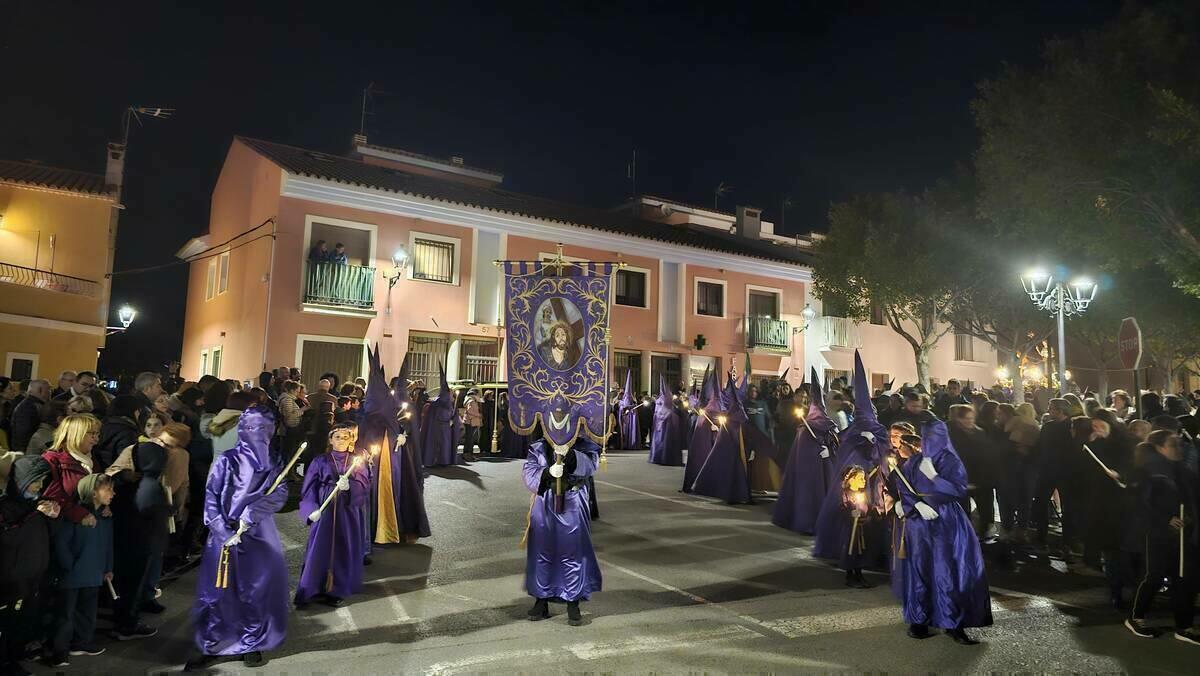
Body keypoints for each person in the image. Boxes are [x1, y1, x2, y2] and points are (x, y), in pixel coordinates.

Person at [187, 405, 290, 670]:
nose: (257, 434)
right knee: (219, 590)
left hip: (258, 535)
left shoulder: (275, 461)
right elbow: (211, 497)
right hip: (225, 536)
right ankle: (214, 642)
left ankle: (252, 641)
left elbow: (279, 493)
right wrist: (222, 529)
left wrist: (253, 512)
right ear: (242, 429)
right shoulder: (227, 459)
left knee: (256, 590)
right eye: (251, 428)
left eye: (264, 429)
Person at [891, 422, 993, 644]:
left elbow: (958, 490)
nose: (929, 442)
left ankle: (953, 622)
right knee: (920, 569)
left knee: (948, 570)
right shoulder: (915, 460)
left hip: (946, 521)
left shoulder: (950, 461)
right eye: (926, 437)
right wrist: (914, 505)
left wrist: (935, 478)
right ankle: (918, 621)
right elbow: (902, 482)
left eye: (934, 437)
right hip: (920, 524)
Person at [813, 352, 890, 587]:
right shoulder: (855, 439)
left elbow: (884, 459)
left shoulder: (874, 435)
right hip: (855, 494)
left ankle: (865, 564)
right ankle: (851, 571)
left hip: (873, 494)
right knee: (854, 531)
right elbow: (849, 468)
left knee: (869, 531)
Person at [1124, 429, 1200, 644]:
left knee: (1184, 578)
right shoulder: (1149, 471)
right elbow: (1140, 504)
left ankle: (1184, 624)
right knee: (1154, 575)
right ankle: (1136, 616)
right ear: (1159, 448)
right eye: (1172, 445)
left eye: (1179, 444)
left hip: (1183, 534)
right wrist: (1166, 519)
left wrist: (1192, 517)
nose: (1179, 448)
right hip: (1156, 533)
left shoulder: (1183, 471)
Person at [522, 431, 602, 626]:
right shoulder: (540, 446)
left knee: (573, 550)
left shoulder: (583, 443)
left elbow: (591, 464)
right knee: (542, 550)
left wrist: (573, 456)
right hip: (545, 500)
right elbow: (529, 470)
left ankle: (573, 601)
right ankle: (541, 598)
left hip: (573, 500)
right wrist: (546, 473)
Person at [295, 423, 369, 608]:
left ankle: (336, 589)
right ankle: (311, 588)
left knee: (342, 548)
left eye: (346, 437)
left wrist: (351, 486)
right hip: (324, 509)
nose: (342, 440)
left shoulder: (356, 461)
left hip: (347, 512)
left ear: (351, 440)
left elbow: (365, 485)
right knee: (319, 548)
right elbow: (309, 487)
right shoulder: (320, 461)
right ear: (330, 440)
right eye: (338, 437)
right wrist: (310, 509)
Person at [0, 456, 60, 676]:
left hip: (33, 576)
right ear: (22, 480)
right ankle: (6, 663)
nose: (40, 485)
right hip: (11, 580)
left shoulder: (36, 504)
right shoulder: (6, 507)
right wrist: (35, 516)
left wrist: (53, 518)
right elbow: (9, 539)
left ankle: (15, 656)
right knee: (8, 624)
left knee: (24, 621)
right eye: (36, 480)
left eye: (43, 480)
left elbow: (46, 537)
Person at [47, 473, 114, 667]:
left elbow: (108, 545)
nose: (113, 493)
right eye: (108, 489)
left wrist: (108, 568)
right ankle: (59, 650)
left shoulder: (106, 516)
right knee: (66, 613)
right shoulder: (75, 515)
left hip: (94, 573)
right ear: (93, 492)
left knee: (87, 610)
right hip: (73, 574)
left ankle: (82, 642)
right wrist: (69, 565)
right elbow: (62, 543)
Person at [107, 441, 170, 641]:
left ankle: (126, 620)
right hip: (140, 545)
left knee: (129, 586)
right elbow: (148, 513)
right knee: (132, 587)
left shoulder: (133, 481)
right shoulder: (149, 485)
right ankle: (127, 625)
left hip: (132, 543)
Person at [773, 369, 839, 535]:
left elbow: (835, 442)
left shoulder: (828, 424)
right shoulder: (804, 428)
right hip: (807, 470)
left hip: (824, 468)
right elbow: (799, 451)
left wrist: (829, 448)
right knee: (808, 494)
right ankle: (806, 521)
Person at [948, 404, 1001, 540]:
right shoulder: (952, 434)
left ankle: (984, 533)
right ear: (958, 419)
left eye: (971, 418)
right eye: (966, 419)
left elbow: (988, 454)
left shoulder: (980, 433)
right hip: (961, 478)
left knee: (986, 509)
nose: (969, 422)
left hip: (981, 479)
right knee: (962, 510)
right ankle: (964, 536)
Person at [1033, 398, 1079, 550]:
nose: (1049, 410)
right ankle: (1041, 537)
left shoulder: (1072, 426)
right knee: (1040, 503)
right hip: (1047, 470)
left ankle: (1067, 541)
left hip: (1065, 472)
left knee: (1069, 507)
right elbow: (1040, 446)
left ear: (1060, 410)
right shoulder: (1048, 426)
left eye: (1051, 408)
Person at [40, 414, 101, 528]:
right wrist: (79, 514)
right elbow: (51, 499)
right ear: (75, 433)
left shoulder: (92, 459)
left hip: (90, 522)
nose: (96, 439)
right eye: (92, 434)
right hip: (64, 526)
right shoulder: (51, 460)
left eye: (98, 434)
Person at [421, 365, 461, 467]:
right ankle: (437, 460)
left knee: (445, 445)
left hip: (445, 428)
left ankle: (443, 460)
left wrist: (453, 418)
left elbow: (450, 412)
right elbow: (439, 413)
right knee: (439, 445)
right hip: (439, 427)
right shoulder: (439, 402)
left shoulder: (446, 402)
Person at [649, 376, 684, 467]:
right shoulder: (663, 399)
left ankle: (659, 455)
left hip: (663, 421)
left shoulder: (661, 399)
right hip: (665, 420)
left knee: (664, 439)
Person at [10, 379, 49, 455]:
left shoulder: (31, 404)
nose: (50, 392)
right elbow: (23, 433)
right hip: (27, 452)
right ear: (40, 390)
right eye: (48, 390)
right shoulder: (28, 407)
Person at [617, 370, 641, 450]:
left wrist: (631, 407)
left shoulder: (628, 400)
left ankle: (629, 443)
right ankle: (625, 443)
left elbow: (628, 406)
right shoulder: (622, 401)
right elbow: (622, 407)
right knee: (624, 431)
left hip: (627, 418)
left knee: (628, 431)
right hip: (625, 419)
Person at [461, 388, 483, 462]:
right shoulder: (471, 401)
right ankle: (467, 454)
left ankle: (468, 454)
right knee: (469, 439)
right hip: (470, 422)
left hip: (471, 422)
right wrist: (478, 415)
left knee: (470, 439)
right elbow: (470, 411)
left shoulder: (472, 401)